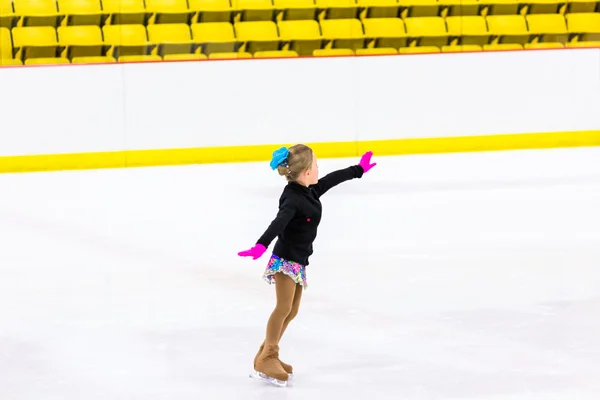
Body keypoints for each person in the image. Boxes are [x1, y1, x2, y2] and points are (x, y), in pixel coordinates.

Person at [238, 144, 377, 387]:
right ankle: (267, 356)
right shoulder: (293, 198)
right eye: (316, 165)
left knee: (292, 310)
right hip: (285, 261)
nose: (319, 169)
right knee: (282, 308)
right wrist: (261, 245)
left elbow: (331, 180)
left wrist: (358, 169)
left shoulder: (309, 191)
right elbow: (279, 222)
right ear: (306, 172)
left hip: (298, 261)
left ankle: (267, 354)